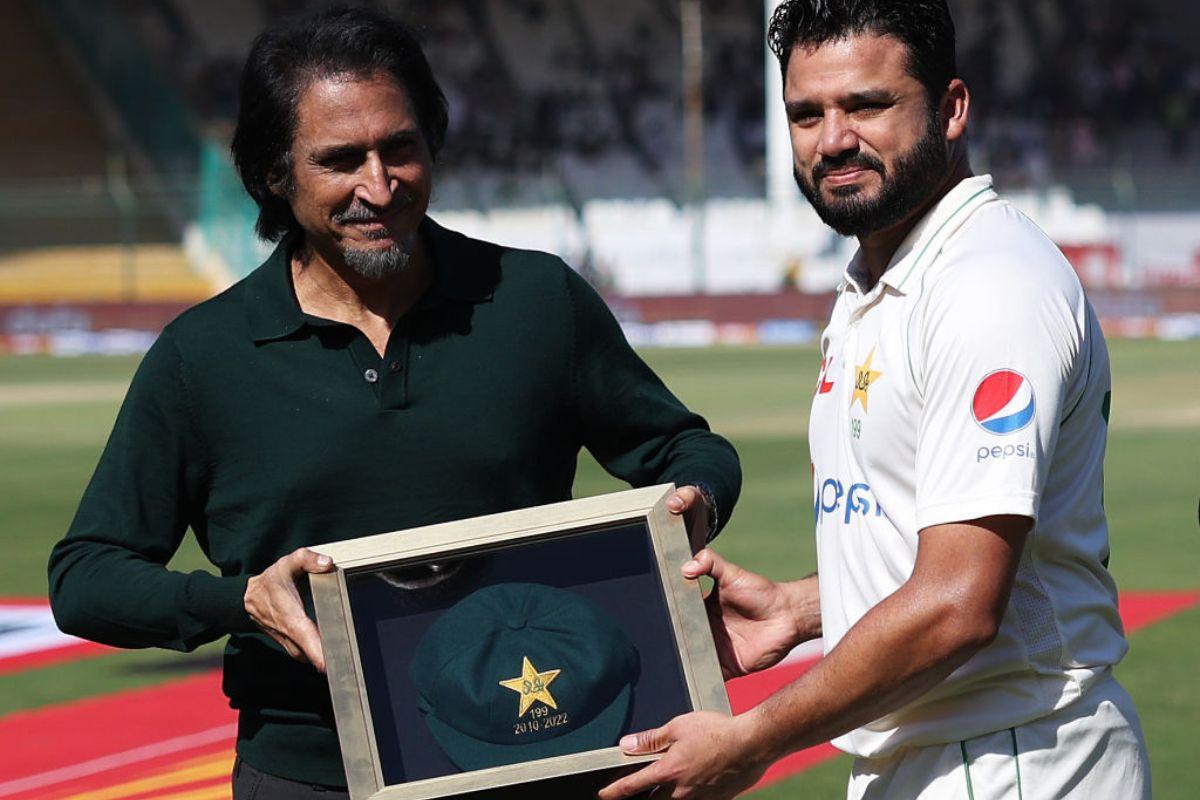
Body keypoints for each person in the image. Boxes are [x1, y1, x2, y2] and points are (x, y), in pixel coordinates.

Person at [47, 7, 740, 797]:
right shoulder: (201, 356)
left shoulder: (537, 299)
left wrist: (696, 501)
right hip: (311, 775)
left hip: (540, 750)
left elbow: (690, 450)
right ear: (275, 173)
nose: (378, 186)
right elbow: (86, 575)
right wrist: (238, 600)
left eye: (400, 148)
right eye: (340, 160)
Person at [600, 2, 1149, 799]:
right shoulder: (883, 276)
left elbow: (960, 602)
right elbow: (954, 548)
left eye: (867, 105)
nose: (833, 140)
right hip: (937, 752)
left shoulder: (985, 285)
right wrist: (801, 609)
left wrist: (753, 739)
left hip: (1014, 758)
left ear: (952, 109)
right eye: (806, 113)